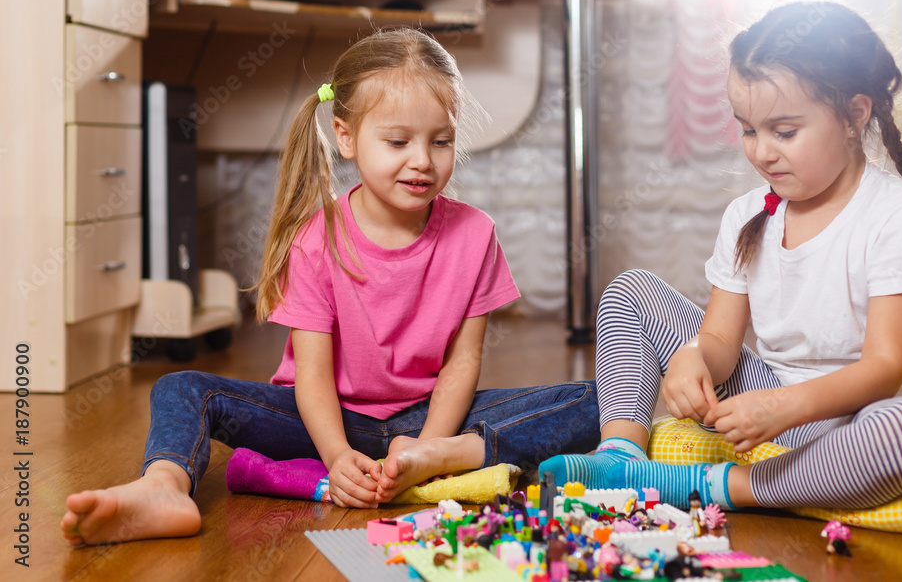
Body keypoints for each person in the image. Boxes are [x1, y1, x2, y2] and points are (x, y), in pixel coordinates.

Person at [61, 28, 600, 546]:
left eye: (441, 141)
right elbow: (312, 375)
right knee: (180, 389)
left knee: (601, 399)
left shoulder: (475, 232)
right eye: (397, 141)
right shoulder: (317, 240)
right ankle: (164, 488)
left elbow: (463, 362)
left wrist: (429, 447)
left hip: (432, 421)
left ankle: (449, 455)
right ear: (346, 136)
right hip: (323, 418)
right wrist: (338, 456)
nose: (422, 160)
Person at [540, 2, 902, 512]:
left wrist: (782, 408)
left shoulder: (896, 216)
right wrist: (693, 356)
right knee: (630, 291)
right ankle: (619, 456)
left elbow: (884, 368)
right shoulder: (749, 214)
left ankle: (720, 487)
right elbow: (722, 340)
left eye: (785, 132)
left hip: (859, 417)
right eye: (749, 130)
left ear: (854, 115)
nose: (762, 152)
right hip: (767, 391)